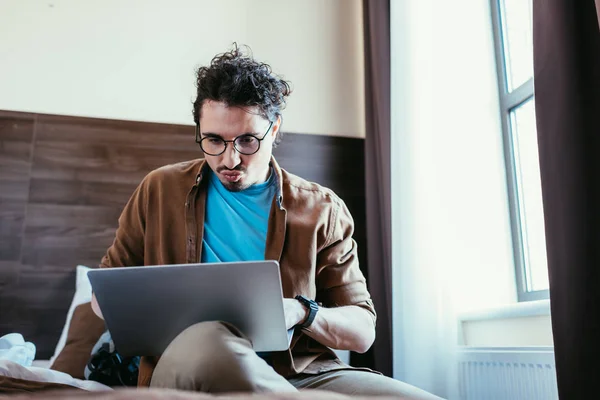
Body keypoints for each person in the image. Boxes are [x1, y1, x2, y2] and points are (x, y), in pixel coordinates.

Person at [91, 45, 441, 399]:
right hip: (187, 362)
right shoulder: (159, 188)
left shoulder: (322, 209)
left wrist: (300, 311)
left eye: (247, 140)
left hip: (300, 373)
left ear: (274, 129)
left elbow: (362, 331)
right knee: (213, 339)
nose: (230, 158)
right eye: (213, 140)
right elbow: (100, 296)